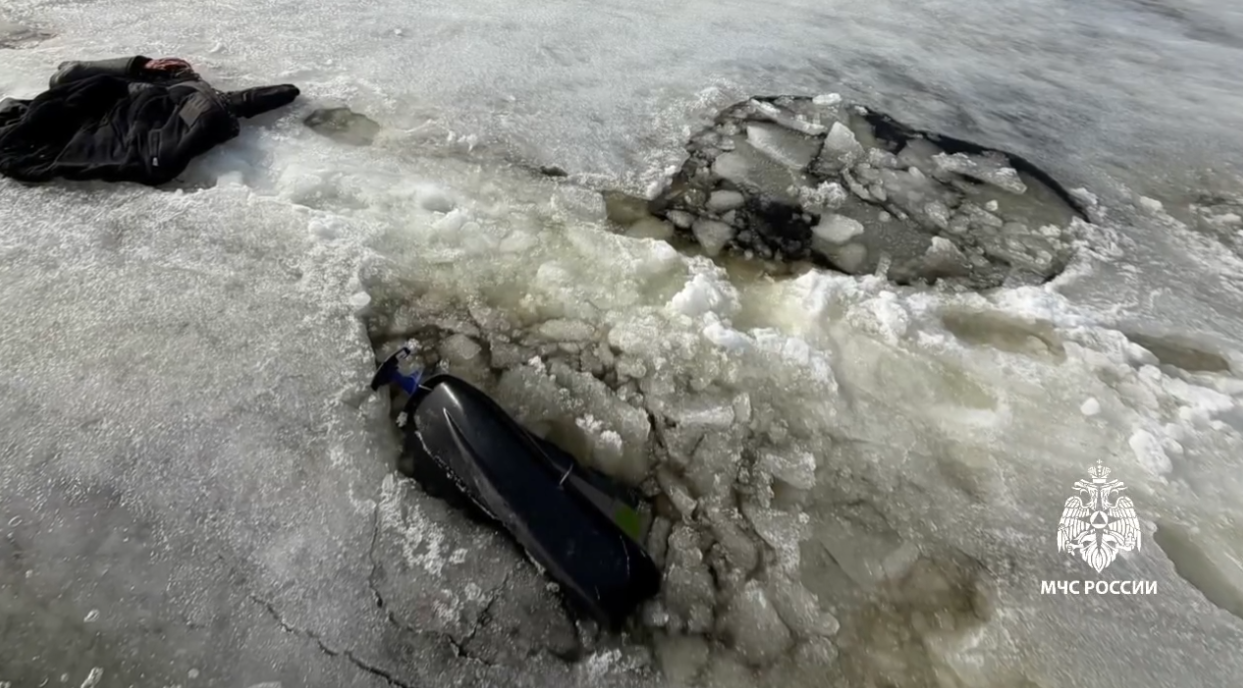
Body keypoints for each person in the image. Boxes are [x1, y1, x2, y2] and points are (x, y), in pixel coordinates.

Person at [0, 55, 300, 185]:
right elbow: (66, 73)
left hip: (139, 126)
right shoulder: (119, 78)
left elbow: (272, 95)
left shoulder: (193, 95)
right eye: (174, 64)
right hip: (93, 112)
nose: (179, 65)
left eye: (181, 66)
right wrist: (138, 64)